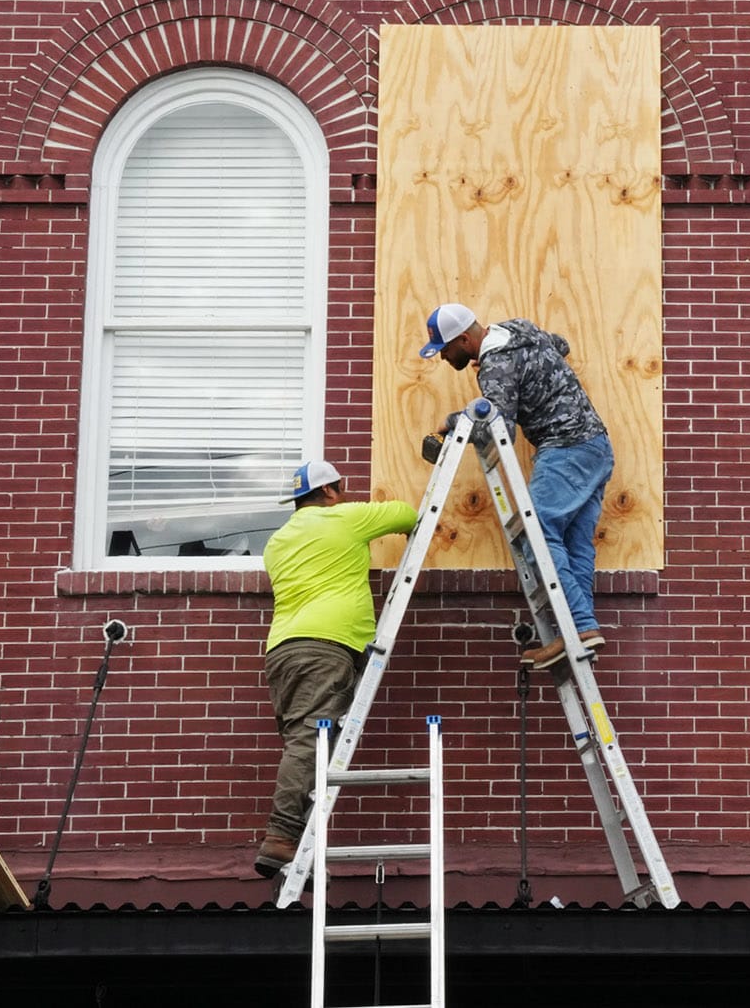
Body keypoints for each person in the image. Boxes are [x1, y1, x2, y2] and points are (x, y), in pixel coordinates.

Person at [419, 301, 612, 669]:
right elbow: (560, 345)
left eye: (445, 349)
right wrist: (512, 376)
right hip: (596, 448)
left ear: (463, 340)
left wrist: (450, 422)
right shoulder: (521, 329)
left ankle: (575, 629)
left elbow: (498, 428)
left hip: (566, 448)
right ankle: (582, 627)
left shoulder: (496, 365)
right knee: (573, 544)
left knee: (535, 530)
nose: (444, 358)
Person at [253, 459, 419, 879]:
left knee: (305, 744)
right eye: (340, 489)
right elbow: (408, 514)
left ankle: (298, 854)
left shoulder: (277, 542)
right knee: (309, 745)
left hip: (282, 651)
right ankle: (281, 836)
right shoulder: (344, 518)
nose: (343, 495)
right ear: (330, 491)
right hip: (326, 647)